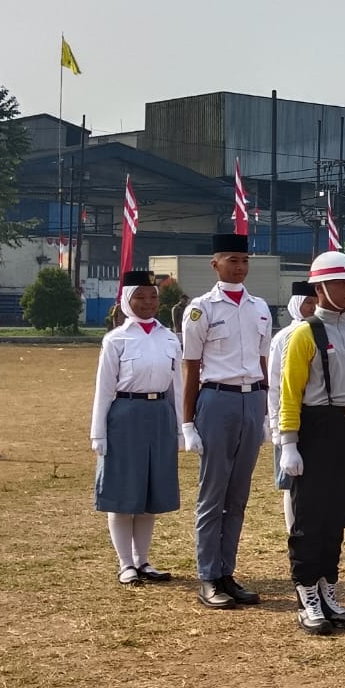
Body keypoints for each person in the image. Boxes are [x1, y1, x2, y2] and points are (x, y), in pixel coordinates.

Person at [277, 251, 345, 635]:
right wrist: (288, 443)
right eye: (339, 284)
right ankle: (306, 592)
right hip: (315, 426)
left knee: (338, 515)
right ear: (319, 288)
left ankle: (327, 586)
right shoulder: (305, 332)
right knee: (309, 517)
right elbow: (290, 393)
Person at [180, 233, 272, 610]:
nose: (240, 266)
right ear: (215, 264)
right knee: (213, 493)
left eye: (245, 260)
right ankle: (208, 576)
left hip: (251, 400)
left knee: (238, 496)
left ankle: (227, 572)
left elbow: (265, 364)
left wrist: (266, 412)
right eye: (232, 259)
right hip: (216, 398)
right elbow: (190, 368)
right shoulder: (201, 310)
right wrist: (187, 423)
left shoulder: (260, 307)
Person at [89, 272, 183, 585]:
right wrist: (98, 433)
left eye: (152, 296)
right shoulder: (116, 339)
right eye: (139, 297)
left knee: (150, 493)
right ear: (127, 300)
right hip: (125, 415)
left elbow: (177, 387)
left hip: (160, 415)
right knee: (122, 492)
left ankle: (143, 561)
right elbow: (103, 389)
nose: (147, 303)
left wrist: (183, 428)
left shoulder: (169, 337)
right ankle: (125, 563)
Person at [267, 281, 317, 531]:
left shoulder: (323, 332)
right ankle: (293, 533)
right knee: (291, 482)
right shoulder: (283, 336)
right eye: (308, 302)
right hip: (289, 416)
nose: (313, 307)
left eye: (316, 301)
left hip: (317, 416)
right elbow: (275, 384)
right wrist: (277, 427)